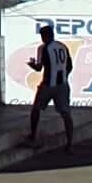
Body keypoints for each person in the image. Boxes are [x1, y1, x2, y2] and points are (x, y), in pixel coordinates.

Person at [27, 21, 74, 151]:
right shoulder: (63, 47)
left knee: (36, 109)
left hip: (48, 84)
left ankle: (32, 136)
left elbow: (39, 67)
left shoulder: (43, 48)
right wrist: (64, 76)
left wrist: (32, 64)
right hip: (63, 84)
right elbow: (69, 66)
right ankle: (70, 144)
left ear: (44, 36)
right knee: (66, 114)